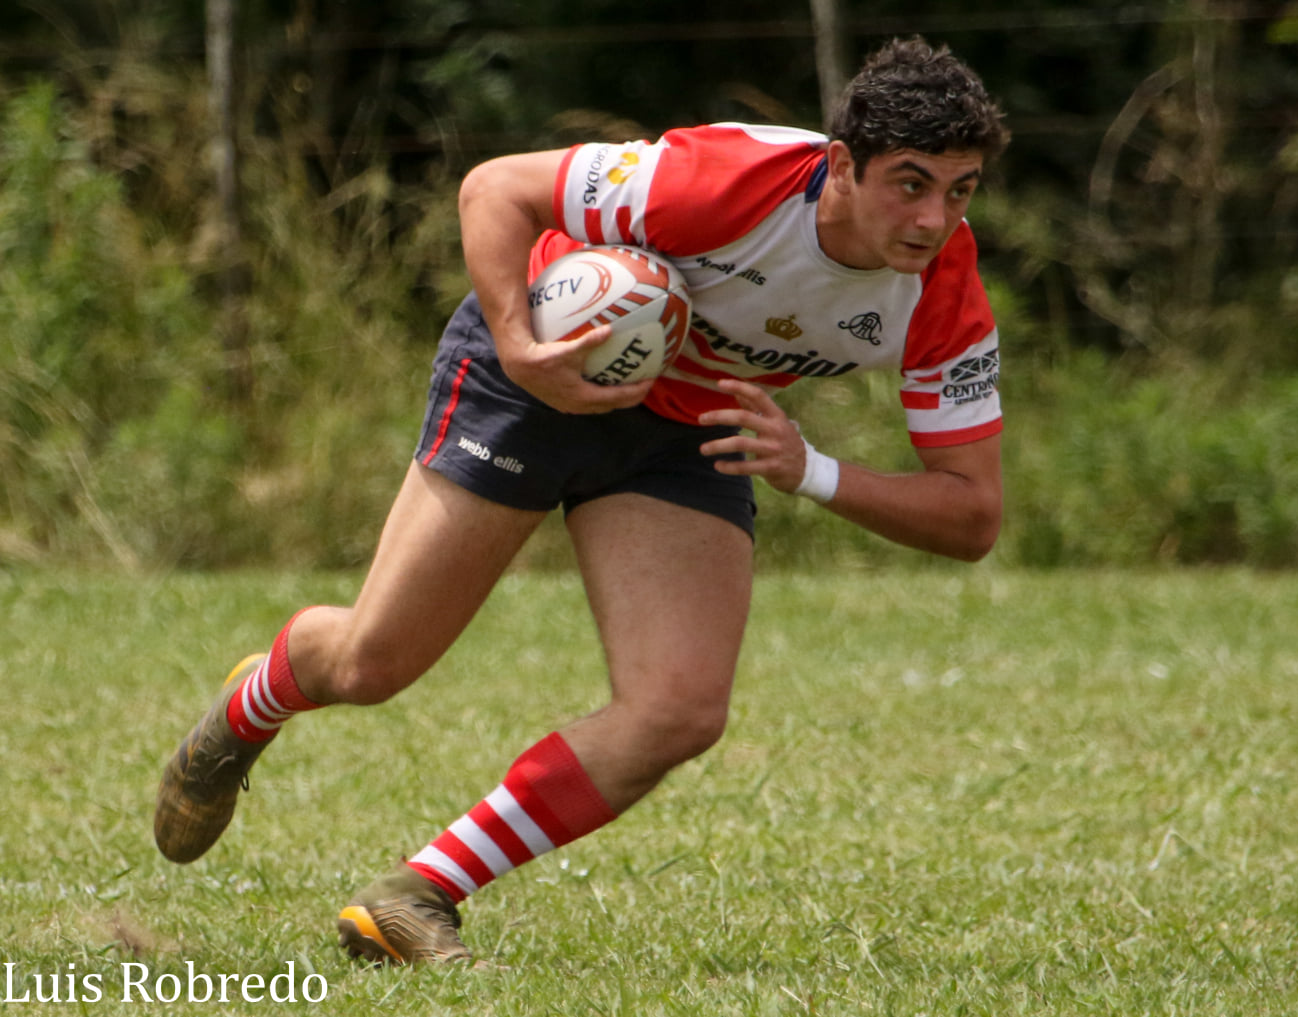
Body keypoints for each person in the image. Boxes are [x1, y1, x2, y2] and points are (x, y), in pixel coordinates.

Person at [152, 36, 1010, 965]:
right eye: (910, 183)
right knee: (370, 663)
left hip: (689, 431)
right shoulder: (724, 182)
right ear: (841, 165)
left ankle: (415, 894)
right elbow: (494, 189)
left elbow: (971, 514)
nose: (932, 218)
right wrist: (521, 349)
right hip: (538, 374)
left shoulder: (941, 289)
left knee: (679, 708)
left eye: (958, 190)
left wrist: (810, 469)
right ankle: (251, 706)